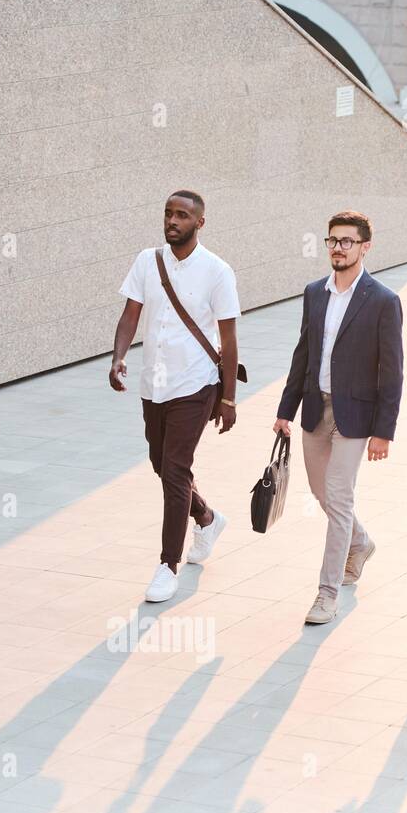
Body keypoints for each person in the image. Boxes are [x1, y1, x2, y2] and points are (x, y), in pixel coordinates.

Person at [109, 191, 241, 602]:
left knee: (176, 469)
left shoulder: (217, 271)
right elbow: (131, 313)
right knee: (161, 464)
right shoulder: (147, 261)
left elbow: (229, 337)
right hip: (154, 383)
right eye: (168, 213)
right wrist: (117, 359)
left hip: (195, 384)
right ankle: (206, 517)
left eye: (182, 215)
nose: (172, 220)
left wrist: (229, 399)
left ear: (199, 222)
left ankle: (168, 565)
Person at [274, 210, 403, 624]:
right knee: (321, 492)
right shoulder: (315, 292)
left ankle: (327, 592)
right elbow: (303, 354)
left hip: (356, 417)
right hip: (315, 408)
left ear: (365, 246)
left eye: (347, 241)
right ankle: (360, 541)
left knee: (339, 495)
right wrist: (284, 411)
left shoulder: (383, 300)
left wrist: (384, 432)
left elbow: (392, 371)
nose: (338, 248)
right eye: (332, 241)